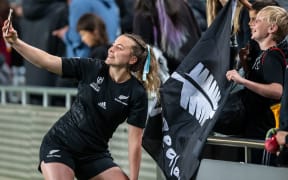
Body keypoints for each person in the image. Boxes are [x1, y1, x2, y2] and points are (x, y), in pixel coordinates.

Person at [2, 18, 161, 179]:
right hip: (61, 144)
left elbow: (134, 142)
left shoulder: (137, 93)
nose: (111, 49)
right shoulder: (92, 67)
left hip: (95, 154)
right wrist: (15, 42)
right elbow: (47, 61)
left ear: (132, 59)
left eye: (119, 48)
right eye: (113, 45)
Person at [226, 5, 288, 164]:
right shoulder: (263, 56)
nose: (251, 24)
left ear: (272, 28)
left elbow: (277, 90)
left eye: (258, 20)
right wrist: (246, 68)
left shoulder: (272, 56)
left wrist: (242, 81)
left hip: (262, 136)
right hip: (253, 130)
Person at [133, 0, 201, 74]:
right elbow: (198, 39)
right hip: (195, 70)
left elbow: (143, 55)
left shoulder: (143, 14)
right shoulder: (182, 5)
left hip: (170, 77)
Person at [53, 0, 120, 58]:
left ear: (95, 32)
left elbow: (75, 37)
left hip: (85, 58)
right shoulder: (111, 3)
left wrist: (65, 34)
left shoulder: (79, 3)